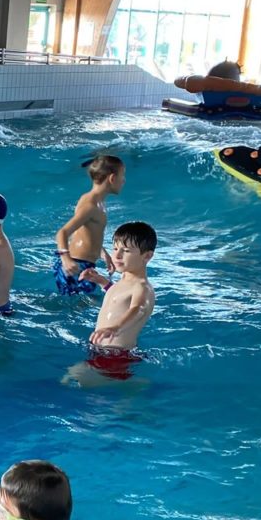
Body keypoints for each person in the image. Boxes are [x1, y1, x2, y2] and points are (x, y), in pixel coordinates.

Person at [77, 221, 157, 379]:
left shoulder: (142, 287)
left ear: (147, 256)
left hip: (115, 356)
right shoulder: (124, 283)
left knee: (74, 380)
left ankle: (134, 385)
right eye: (115, 249)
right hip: (102, 351)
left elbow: (138, 309)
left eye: (126, 251)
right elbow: (119, 299)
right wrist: (101, 281)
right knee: (73, 380)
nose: (117, 255)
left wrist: (115, 328)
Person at [53, 155, 125, 295]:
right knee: (78, 304)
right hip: (75, 265)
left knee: (84, 302)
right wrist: (66, 259)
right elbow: (63, 232)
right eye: (122, 175)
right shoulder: (90, 204)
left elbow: (88, 234)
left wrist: (104, 254)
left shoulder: (99, 203)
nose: (124, 180)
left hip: (84, 264)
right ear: (112, 178)